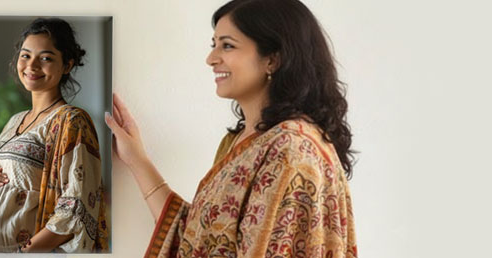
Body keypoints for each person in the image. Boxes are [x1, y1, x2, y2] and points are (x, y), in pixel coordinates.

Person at [104, 0, 358, 256]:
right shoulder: (242, 142)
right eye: (214, 45)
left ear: (273, 59)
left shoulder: (292, 150)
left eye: (227, 45)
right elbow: (194, 239)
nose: (211, 59)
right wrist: (137, 158)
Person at [0, 17, 109, 253]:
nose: (31, 66)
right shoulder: (15, 120)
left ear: (67, 65)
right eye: (26, 55)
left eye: (46, 58)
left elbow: (76, 206)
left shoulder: (71, 120)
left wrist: (27, 253)